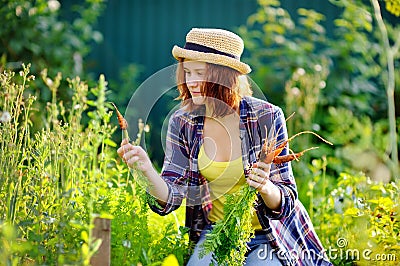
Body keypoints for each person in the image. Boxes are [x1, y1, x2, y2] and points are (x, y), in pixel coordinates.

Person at [118, 28, 331, 265]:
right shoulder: (183, 122)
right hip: (216, 234)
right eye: (187, 72)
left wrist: (266, 186)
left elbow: (286, 202)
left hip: (268, 235)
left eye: (201, 73)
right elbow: (172, 197)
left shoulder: (266, 116)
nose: (192, 82)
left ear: (224, 77)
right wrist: (146, 170)